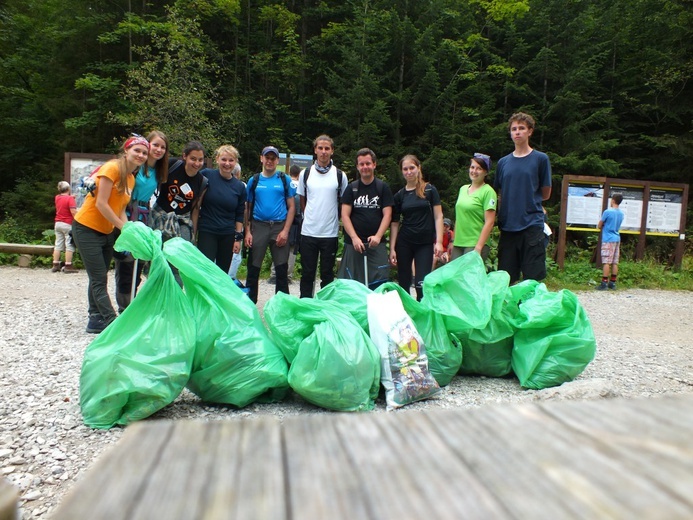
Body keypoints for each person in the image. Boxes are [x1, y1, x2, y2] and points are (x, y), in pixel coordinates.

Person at [72, 135, 149, 333]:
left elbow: (120, 208)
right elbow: (101, 203)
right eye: (137, 150)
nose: (140, 155)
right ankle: (113, 323)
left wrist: (129, 229)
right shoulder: (112, 168)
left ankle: (95, 318)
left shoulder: (131, 178)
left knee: (99, 275)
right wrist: (122, 227)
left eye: (144, 152)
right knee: (99, 279)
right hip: (87, 227)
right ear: (126, 151)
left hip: (106, 231)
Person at [114, 130, 169, 312]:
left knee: (139, 259)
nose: (158, 150)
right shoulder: (136, 166)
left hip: (145, 215)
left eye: (162, 147)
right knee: (127, 259)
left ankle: (132, 302)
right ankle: (124, 305)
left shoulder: (159, 171)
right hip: (128, 211)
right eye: (155, 145)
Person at [494, 112, 552, 284]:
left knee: (532, 279)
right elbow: (499, 192)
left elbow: (546, 192)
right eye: (514, 129)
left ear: (530, 131)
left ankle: (531, 311)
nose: (517, 132)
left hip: (531, 226)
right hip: (508, 227)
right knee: (505, 279)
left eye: (521, 128)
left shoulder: (540, 159)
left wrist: (530, 202)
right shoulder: (503, 162)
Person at [297, 135, 348, 297]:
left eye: (327, 148)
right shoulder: (305, 174)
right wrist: (311, 217)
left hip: (330, 233)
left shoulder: (340, 175)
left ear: (332, 151)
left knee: (327, 275)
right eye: (320, 148)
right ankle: (305, 307)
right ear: (315, 150)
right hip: (308, 232)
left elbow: (343, 203)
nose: (323, 152)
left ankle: (326, 309)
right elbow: (302, 201)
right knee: (307, 274)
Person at [244, 146, 296, 303]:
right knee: (253, 268)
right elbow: (247, 207)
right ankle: (249, 304)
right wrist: (247, 231)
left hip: (279, 227)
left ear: (277, 161)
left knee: (281, 269)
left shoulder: (284, 179)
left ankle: (282, 307)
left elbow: (292, 206)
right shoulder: (254, 180)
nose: (270, 161)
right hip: (258, 226)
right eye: (267, 157)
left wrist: (286, 231)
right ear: (261, 158)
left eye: (273, 158)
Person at [389, 154, 444, 301]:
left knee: (421, 284)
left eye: (412, 168)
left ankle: (422, 314)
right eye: (405, 169)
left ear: (418, 168)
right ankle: (406, 315)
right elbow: (394, 223)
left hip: (425, 243)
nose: (409, 172)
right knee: (404, 283)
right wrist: (392, 248)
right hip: (405, 243)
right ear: (402, 171)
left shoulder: (430, 190)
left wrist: (439, 241)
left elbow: (438, 216)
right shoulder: (399, 195)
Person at [338, 148, 394, 288]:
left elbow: (388, 215)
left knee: (379, 284)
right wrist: (354, 237)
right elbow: (344, 215)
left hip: (376, 245)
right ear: (357, 166)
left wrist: (378, 236)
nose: (365, 167)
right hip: (354, 245)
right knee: (351, 285)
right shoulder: (352, 188)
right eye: (361, 164)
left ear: (374, 164)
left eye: (368, 163)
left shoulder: (382, 188)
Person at [197, 145, 246, 274]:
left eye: (231, 160)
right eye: (224, 159)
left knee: (222, 273)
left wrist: (238, 239)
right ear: (217, 159)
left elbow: (239, 214)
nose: (227, 164)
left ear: (235, 162)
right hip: (207, 230)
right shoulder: (207, 175)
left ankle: (217, 295)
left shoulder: (239, 187)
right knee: (205, 270)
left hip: (227, 234)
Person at [451, 153, 497, 263]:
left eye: (479, 169)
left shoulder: (488, 192)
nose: (474, 171)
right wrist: (452, 241)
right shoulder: (463, 189)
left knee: (468, 279)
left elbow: (489, 222)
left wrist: (479, 247)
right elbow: (459, 217)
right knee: (454, 278)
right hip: (458, 243)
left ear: (485, 172)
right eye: (472, 167)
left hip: (474, 243)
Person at [597, 193, 624, 290]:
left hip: (608, 238)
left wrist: (603, 226)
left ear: (613, 200)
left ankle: (604, 283)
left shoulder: (607, 212)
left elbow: (600, 225)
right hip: (617, 238)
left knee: (606, 262)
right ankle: (612, 283)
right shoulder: (621, 213)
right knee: (615, 261)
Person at [52, 181, 78, 273]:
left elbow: (64, 200)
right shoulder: (70, 199)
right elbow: (73, 212)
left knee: (58, 244)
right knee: (69, 245)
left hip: (58, 223)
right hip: (67, 224)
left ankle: (55, 264)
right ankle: (68, 265)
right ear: (68, 189)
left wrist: (71, 197)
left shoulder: (57, 197)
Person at [228, 163, 245, 279]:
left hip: (220, 224)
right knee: (235, 254)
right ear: (238, 173)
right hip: (236, 225)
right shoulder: (242, 186)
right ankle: (230, 279)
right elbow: (244, 210)